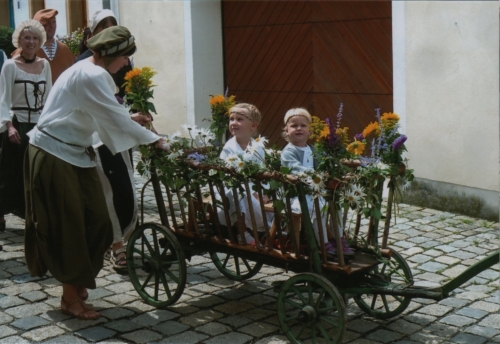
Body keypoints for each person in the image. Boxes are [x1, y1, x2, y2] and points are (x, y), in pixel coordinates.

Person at [25, 26, 168, 320]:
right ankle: (70, 295)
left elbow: (99, 112)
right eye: (126, 56)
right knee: (70, 225)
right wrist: (156, 139)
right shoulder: (91, 74)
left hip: (76, 152)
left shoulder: (89, 73)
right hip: (54, 153)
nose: (127, 63)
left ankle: (77, 280)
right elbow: (109, 115)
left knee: (99, 220)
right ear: (113, 54)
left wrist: (129, 119)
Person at [75, 9, 147, 271]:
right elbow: (98, 110)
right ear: (93, 34)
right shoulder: (85, 65)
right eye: (102, 27)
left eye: (111, 26)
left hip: (119, 132)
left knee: (125, 185)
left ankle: (123, 240)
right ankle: (115, 246)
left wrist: (137, 110)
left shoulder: (122, 60)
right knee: (110, 190)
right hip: (97, 137)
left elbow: (130, 90)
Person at [0, 20, 51, 232]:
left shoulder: (45, 65)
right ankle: (1, 212)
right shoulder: (10, 66)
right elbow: (3, 99)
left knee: (37, 173)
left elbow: (49, 97)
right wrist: (8, 126)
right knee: (11, 173)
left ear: (40, 41)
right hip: (18, 125)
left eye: (35, 38)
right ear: (19, 40)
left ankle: (33, 214)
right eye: (27, 38)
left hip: (38, 125)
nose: (31, 42)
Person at [281, 108, 354, 256]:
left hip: (315, 189)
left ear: (310, 131)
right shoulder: (289, 151)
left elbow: (322, 165)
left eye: (303, 125)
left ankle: (338, 238)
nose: (299, 128)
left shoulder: (313, 149)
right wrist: (319, 177)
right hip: (296, 193)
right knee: (318, 206)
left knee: (335, 203)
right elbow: (296, 169)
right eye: (294, 126)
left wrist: (333, 172)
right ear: (287, 131)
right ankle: (323, 242)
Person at [217, 103, 272, 244]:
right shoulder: (229, 148)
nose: (234, 123)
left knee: (271, 195)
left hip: (252, 185)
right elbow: (229, 173)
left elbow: (261, 170)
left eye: (239, 119)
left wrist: (262, 191)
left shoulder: (257, 147)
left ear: (253, 126)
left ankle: (267, 229)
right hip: (231, 184)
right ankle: (242, 232)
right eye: (231, 119)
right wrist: (250, 189)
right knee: (239, 193)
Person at [11, 9, 74, 84]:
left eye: (53, 22)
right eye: (47, 23)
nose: (52, 26)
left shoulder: (65, 50)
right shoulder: (25, 51)